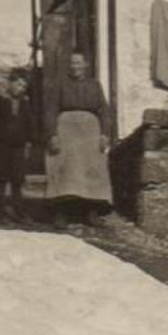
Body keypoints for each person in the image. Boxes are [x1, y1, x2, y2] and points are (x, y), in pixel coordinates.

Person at [43, 50, 115, 225]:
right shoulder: (60, 85)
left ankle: (92, 213)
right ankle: (61, 214)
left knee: (92, 171)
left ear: (85, 65)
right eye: (72, 63)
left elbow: (104, 111)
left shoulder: (95, 85)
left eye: (78, 63)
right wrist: (52, 134)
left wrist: (105, 133)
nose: (75, 66)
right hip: (66, 132)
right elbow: (51, 111)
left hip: (90, 133)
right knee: (65, 170)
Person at [0, 68, 35, 214]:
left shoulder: (25, 104)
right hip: (3, 145)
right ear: (10, 84)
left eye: (24, 86)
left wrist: (29, 142)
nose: (21, 89)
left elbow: (29, 124)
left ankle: (17, 207)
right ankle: (0, 208)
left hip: (19, 145)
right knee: (2, 175)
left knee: (17, 178)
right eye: (18, 85)